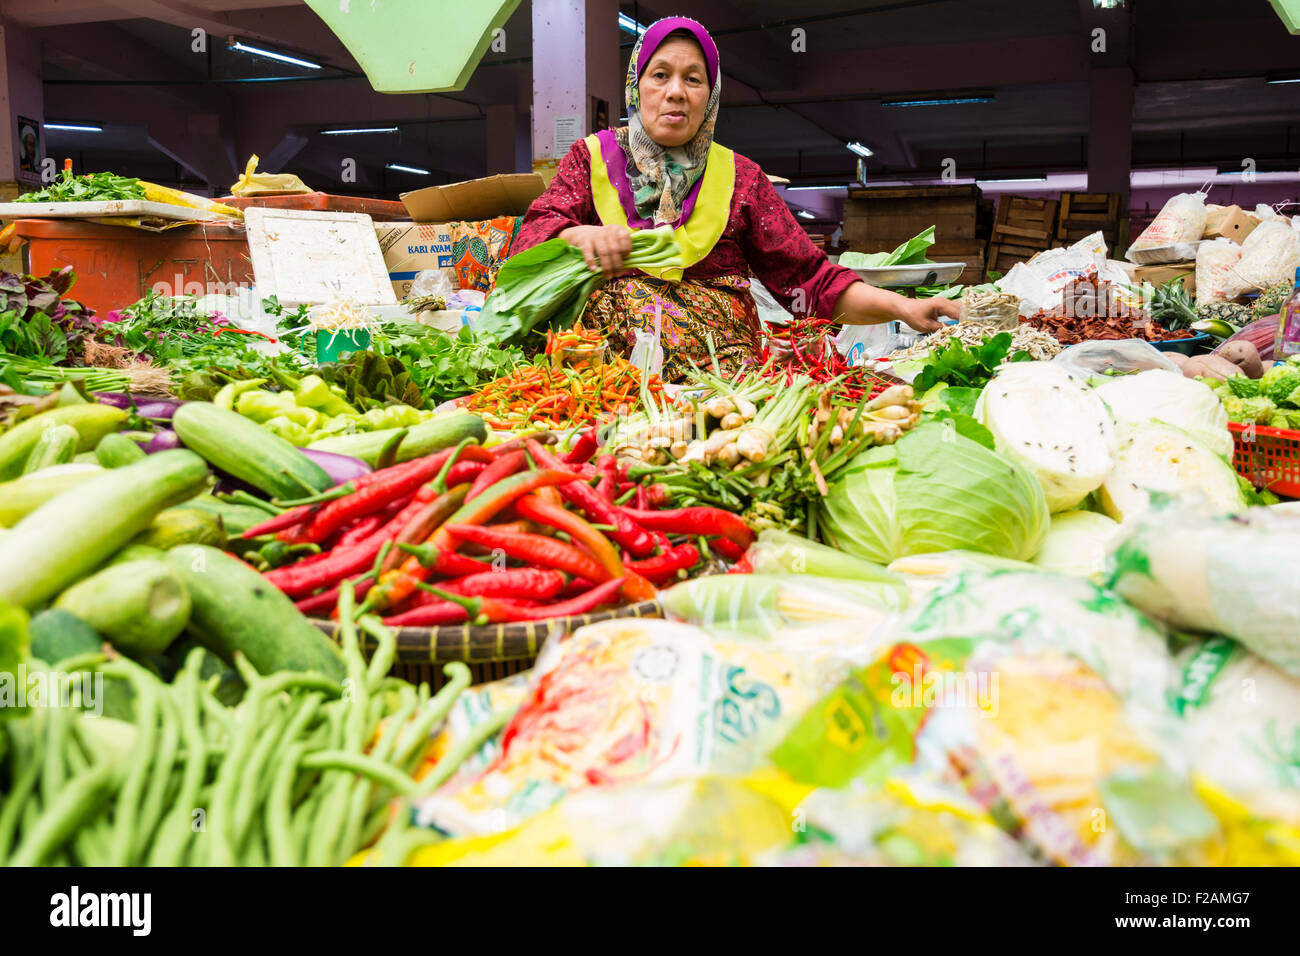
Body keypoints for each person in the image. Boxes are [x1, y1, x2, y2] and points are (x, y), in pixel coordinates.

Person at [512, 16, 959, 381]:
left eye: (694, 79)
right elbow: (527, 246)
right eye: (660, 75)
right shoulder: (589, 159)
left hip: (726, 387)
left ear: (711, 96)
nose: (676, 92)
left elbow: (810, 280)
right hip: (601, 386)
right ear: (637, 84)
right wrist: (578, 236)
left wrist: (905, 307)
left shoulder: (741, 178)